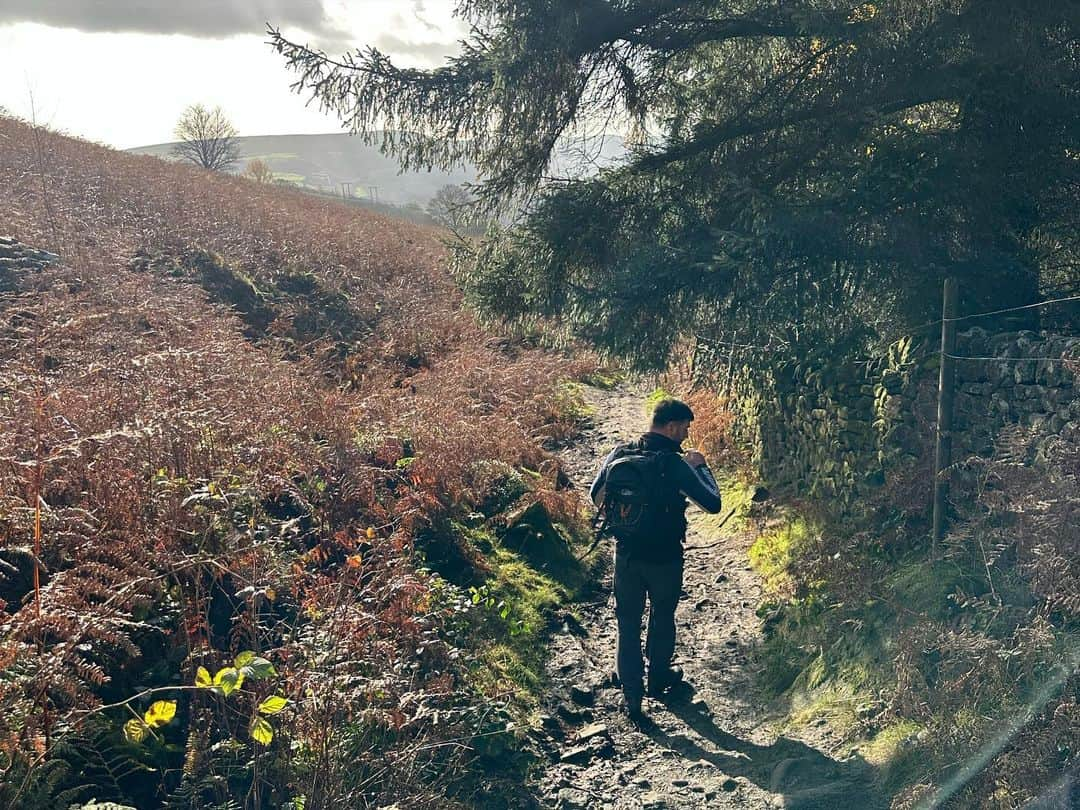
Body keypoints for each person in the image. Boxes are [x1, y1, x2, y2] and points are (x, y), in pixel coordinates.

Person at [590, 397, 722, 719]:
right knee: (662, 616)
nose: (686, 435)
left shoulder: (620, 454)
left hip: (627, 555)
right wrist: (701, 466)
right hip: (665, 557)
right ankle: (658, 678)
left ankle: (632, 698)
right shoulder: (674, 463)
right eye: (685, 428)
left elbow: (596, 496)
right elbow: (713, 503)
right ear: (672, 425)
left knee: (627, 623)